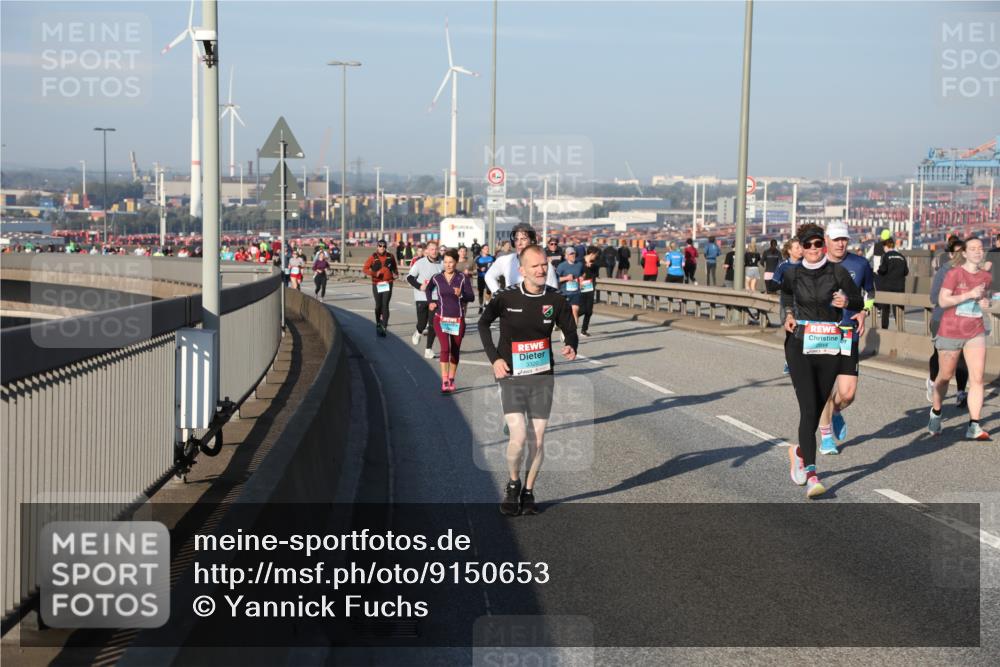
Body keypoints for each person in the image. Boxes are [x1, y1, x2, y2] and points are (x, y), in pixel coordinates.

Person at [478, 244, 578, 516]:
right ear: (521, 270)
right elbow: (483, 324)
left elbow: (570, 328)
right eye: (535, 266)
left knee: (538, 439)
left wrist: (571, 344)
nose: (541, 269)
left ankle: (529, 491)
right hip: (511, 373)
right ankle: (513, 483)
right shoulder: (506, 297)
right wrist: (495, 359)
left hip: (542, 375)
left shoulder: (556, 299)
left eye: (544, 265)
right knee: (519, 435)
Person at [780, 224, 864, 498]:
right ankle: (813, 474)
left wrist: (844, 300)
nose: (814, 249)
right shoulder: (792, 272)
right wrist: (788, 315)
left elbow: (859, 300)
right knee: (808, 408)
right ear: (801, 247)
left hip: (829, 343)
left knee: (817, 407)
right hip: (800, 344)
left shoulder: (837, 271)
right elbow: (786, 296)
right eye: (809, 245)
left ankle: (798, 452)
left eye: (818, 244)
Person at [816, 220, 876, 455]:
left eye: (844, 239)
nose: (841, 244)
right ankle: (826, 437)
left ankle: (836, 412)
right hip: (820, 335)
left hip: (848, 333)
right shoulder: (814, 264)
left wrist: (864, 312)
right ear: (827, 241)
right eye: (836, 239)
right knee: (823, 389)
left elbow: (870, 292)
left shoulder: (859, 264)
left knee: (847, 393)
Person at [929, 236, 992, 440]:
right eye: (972, 248)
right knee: (945, 377)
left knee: (978, 378)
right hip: (950, 329)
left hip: (975, 330)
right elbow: (942, 300)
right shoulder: (954, 273)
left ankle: (974, 425)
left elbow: (984, 297)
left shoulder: (986, 276)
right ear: (964, 253)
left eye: (980, 248)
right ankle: (936, 411)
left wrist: (984, 303)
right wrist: (969, 294)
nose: (977, 251)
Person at [928, 237, 970, 409]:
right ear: (952, 253)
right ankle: (932, 381)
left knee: (962, 358)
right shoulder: (944, 271)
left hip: (963, 321)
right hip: (941, 319)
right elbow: (933, 297)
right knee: (940, 357)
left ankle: (961, 392)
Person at [427, 248, 475, 392]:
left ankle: (452, 378)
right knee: (445, 349)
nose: (448, 265)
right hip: (441, 318)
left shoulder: (462, 278)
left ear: (456, 262)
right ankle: (445, 380)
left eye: (451, 262)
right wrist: (431, 301)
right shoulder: (437, 277)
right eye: (446, 262)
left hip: (457, 320)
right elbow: (428, 289)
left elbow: (471, 297)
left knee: (455, 350)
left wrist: (462, 295)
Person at [484, 223, 559, 295]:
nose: (519, 243)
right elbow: (489, 276)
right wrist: (499, 295)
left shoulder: (545, 265)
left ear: (532, 241)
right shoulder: (506, 260)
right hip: (512, 306)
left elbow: (553, 293)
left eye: (523, 239)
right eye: (516, 239)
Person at [406, 240, 443, 358]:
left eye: (436, 249)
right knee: (422, 323)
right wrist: (419, 286)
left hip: (435, 297)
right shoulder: (419, 263)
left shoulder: (441, 264)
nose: (434, 251)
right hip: (421, 297)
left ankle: (428, 350)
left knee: (433, 324)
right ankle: (418, 332)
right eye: (431, 249)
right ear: (427, 251)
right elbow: (410, 277)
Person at [773, 238, 803, 374]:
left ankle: (802, 360)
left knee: (802, 332)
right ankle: (788, 361)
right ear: (790, 250)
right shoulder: (783, 266)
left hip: (803, 303)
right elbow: (774, 283)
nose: (801, 250)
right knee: (790, 333)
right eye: (797, 248)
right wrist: (786, 287)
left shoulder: (806, 264)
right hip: (788, 302)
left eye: (801, 247)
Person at [363, 240, 399, 337]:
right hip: (377, 283)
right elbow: (365, 269)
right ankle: (378, 322)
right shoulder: (373, 257)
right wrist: (375, 273)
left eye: (384, 246)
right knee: (378, 306)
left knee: (385, 305)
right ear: (377, 247)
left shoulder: (390, 256)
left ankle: (384, 327)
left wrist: (396, 274)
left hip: (388, 283)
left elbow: (395, 268)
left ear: (386, 247)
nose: (382, 247)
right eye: (380, 246)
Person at [876, 237, 909, 329]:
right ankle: (900, 329)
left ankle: (885, 329)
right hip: (899, 287)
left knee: (885, 310)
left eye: (884, 247)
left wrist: (878, 271)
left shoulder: (886, 256)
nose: (883, 249)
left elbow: (882, 270)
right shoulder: (901, 256)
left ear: (886, 246)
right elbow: (906, 272)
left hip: (887, 287)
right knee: (898, 310)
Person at [555, 246, 584, 330]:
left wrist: (581, 279)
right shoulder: (562, 266)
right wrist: (566, 278)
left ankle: (573, 331)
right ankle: (563, 329)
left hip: (576, 292)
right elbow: (556, 279)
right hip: (564, 293)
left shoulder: (579, 265)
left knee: (575, 309)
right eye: (571, 254)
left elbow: (582, 274)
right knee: (564, 314)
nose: (573, 256)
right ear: (566, 256)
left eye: (574, 254)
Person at [579, 245, 601, 337]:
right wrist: (585, 266)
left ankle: (584, 330)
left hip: (590, 287)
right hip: (581, 287)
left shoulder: (595, 263)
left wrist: (591, 266)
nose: (597, 256)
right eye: (596, 254)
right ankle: (569, 318)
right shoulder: (580, 262)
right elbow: (577, 272)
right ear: (592, 254)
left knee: (589, 311)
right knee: (582, 309)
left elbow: (596, 272)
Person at [475, 244, 495, 312]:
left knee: (488, 291)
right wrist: (480, 269)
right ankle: (480, 305)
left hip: (489, 277)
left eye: (488, 248)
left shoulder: (492, 257)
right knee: (480, 292)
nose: (487, 250)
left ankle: (486, 304)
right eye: (486, 248)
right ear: (482, 250)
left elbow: (496, 264)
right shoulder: (478, 258)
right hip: (481, 277)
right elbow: (475, 267)